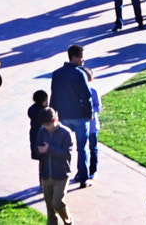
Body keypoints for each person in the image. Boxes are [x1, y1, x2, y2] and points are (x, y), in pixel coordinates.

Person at [50, 45, 93, 188]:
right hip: (80, 117)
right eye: (81, 56)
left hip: (63, 116)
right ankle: (83, 178)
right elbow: (87, 97)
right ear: (74, 57)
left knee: (63, 148)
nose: (83, 60)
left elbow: (54, 95)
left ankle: (61, 177)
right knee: (82, 148)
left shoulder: (57, 74)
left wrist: (53, 113)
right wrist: (89, 114)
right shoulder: (79, 74)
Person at [31, 105, 75, 224]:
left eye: (48, 125)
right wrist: (38, 150)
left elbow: (66, 154)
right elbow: (36, 148)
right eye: (44, 125)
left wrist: (49, 149)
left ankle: (68, 221)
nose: (46, 127)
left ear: (55, 120)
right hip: (46, 174)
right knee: (49, 206)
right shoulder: (42, 132)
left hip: (61, 175)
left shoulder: (66, 133)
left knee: (57, 202)